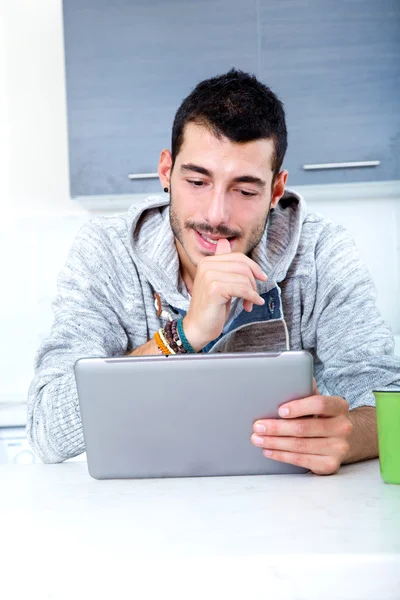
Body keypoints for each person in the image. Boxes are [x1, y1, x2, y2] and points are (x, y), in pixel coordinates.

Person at [27, 69, 400, 474]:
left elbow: (387, 397)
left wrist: (351, 434)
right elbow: (47, 429)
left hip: (288, 516)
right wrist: (182, 335)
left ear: (276, 191)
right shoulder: (106, 251)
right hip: (140, 514)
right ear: (166, 172)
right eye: (198, 181)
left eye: (244, 190)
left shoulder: (321, 252)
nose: (216, 215)